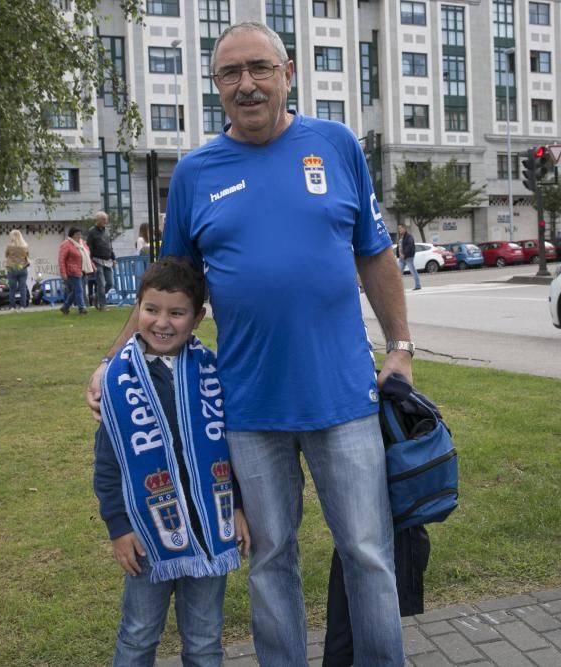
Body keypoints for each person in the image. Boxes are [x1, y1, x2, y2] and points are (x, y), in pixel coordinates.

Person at [86, 21, 412, 666]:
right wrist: (113, 360)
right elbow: (166, 285)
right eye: (231, 74)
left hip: (343, 395)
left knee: (368, 555)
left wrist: (399, 344)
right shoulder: (196, 172)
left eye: (260, 68)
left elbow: (375, 255)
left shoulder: (337, 145)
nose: (247, 84)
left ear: (287, 72)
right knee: (270, 559)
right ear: (217, 88)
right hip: (248, 407)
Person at [93, 257, 251, 666]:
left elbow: (227, 449)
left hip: (210, 529)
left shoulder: (212, 373)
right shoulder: (118, 381)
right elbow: (108, 463)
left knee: (203, 640)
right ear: (137, 308)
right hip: (147, 535)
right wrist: (118, 526)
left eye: (176, 313)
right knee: (139, 635)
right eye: (151, 310)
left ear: (197, 317)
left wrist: (235, 506)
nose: (162, 322)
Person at [86, 211, 117, 311]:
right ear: (98, 220)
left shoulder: (107, 231)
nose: (105, 221)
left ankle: (96, 296)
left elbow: (110, 246)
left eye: (106, 219)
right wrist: (89, 260)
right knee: (101, 283)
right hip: (97, 260)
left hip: (107, 260)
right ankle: (103, 305)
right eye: (103, 219)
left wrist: (113, 258)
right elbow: (89, 247)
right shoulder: (92, 231)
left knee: (110, 283)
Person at [57, 227, 92, 315]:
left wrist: (92, 266)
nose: (79, 236)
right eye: (77, 234)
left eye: (80, 234)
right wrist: (63, 273)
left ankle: (65, 307)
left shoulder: (82, 243)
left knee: (76, 291)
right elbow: (61, 259)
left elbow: (87, 255)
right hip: (72, 270)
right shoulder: (66, 244)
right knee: (79, 290)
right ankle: (82, 308)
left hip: (83, 269)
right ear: (72, 235)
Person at [4, 230, 31, 309]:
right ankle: (23, 306)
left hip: (12, 269)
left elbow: (6, 255)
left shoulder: (9, 246)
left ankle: (12, 307)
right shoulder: (25, 246)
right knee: (23, 288)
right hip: (23, 268)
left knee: (12, 289)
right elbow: (28, 255)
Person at [396, 223, 421, 291]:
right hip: (401, 258)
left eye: (400, 228)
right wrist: (398, 254)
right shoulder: (400, 237)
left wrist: (404, 254)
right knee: (399, 273)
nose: (399, 230)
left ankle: (418, 285)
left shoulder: (409, 237)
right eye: (398, 229)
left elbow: (409, 246)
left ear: (404, 228)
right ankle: (398, 288)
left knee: (413, 271)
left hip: (408, 257)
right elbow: (399, 247)